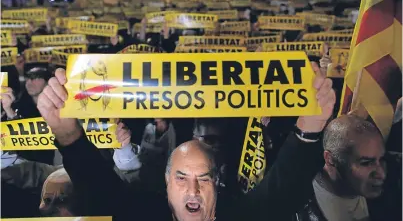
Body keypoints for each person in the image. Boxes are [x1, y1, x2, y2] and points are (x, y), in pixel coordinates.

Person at [36, 60, 336, 220]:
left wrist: (309, 130)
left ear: (217, 184)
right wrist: (68, 136)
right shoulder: (143, 216)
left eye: (203, 179)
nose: (192, 190)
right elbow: (100, 189)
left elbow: (280, 194)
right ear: (166, 184)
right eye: (181, 177)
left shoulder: (241, 216)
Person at [294, 115, 402, 221]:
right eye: (366, 163)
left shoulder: (394, 183)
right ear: (330, 159)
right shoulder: (296, 207)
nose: (382, 173)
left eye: (382, 159)